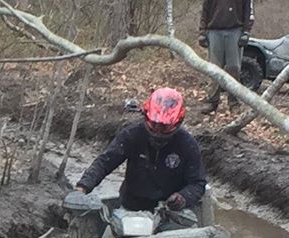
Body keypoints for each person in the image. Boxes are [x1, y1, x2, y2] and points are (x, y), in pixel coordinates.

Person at [75, 88, 206, 214]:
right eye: (154, 125)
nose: (158, 132)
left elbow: (198, 183)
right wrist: (82, 188)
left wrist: (183, 197)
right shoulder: (132, 135)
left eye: (165, 128)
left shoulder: (187, 144)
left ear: (176, 124)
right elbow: (105, 162)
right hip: (132, 207)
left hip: (170, 212)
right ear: (146, 118)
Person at [199, 0, 255, 113]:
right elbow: (205, 9)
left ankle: (234, 102)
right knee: (214, 69)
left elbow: (248, 9)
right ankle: (212, 101)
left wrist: (246, 31)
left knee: (234, 68)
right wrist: (202, 32)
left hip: (235, 30)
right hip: (214, 30)